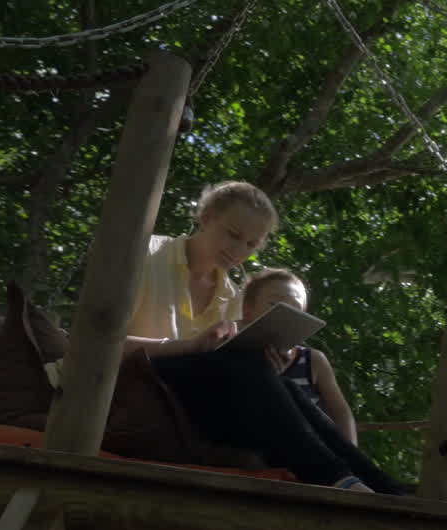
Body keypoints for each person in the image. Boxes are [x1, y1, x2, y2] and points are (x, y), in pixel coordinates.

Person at [124, 180, 401, 494]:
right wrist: (191, 346)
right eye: (233, 235)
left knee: (277, 380)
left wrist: (266, 372)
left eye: (251, 244)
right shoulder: (147, 254)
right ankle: (336, 479)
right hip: (136, 389)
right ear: (206, 216)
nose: (239, 250)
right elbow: (99, 343)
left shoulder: (230, 296)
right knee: (242, 363)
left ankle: (382, 487)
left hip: (189, 410)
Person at [240, 268, 358, 445]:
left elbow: (341, 413)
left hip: (315, 450)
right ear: (247, 310)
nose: (285, 314)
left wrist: (350, 452)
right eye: (275, 304)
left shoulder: (313, 360)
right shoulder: (231, 357)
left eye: (295, 309)